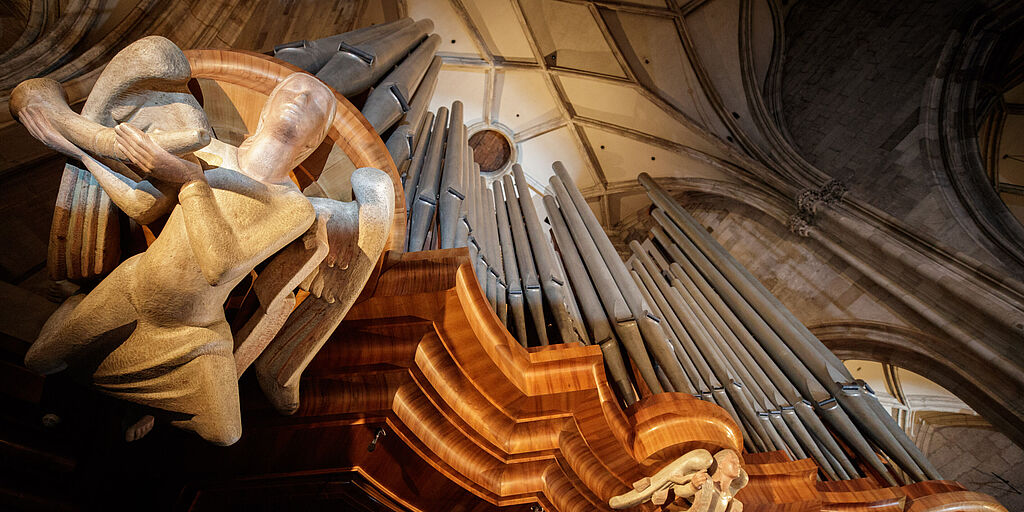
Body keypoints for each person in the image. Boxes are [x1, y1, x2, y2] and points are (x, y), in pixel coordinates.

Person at [19, 72, 337, 445]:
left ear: (314, 140)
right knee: (38, 362)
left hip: (193, 330)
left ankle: (143, 403)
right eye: (293, 90)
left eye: (315, 101)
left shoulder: (293, 206)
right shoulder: (209, 152)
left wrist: (191, 181)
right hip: (134, 291)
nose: (302, 98)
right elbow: (142, 206)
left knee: (225, 433)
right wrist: (77, 152)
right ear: (266, 110)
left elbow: (220, 267)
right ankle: (81, 312)